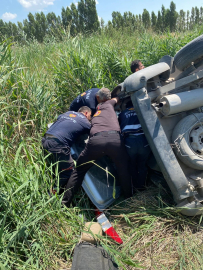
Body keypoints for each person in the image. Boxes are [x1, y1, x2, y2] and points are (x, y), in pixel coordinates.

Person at [62, 87, 133, 207]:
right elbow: (117, 98)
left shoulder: (94, 114)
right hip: (114, 139)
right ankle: (130, 199)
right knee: (123, 169)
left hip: (96, 141)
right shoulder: (108, 104)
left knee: (79, 171)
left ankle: (64, 203)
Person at [42, 106, 92, 194]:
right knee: (68, 171)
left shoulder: (68, 113)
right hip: (58, 143)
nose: (89, 119)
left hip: (46, 139)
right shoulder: (84, 121)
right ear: (86, 113)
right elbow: (94, 132)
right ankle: (50, 195)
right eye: (90, 117)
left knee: (55, 167)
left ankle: (47, 186)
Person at [118, 100, 151, 190]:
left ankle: (134, 187)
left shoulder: (122, 114)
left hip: (130, 142)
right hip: (143, 141)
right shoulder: (141, 111)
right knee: (142, 165)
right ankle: (142, 187)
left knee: (132, 165)